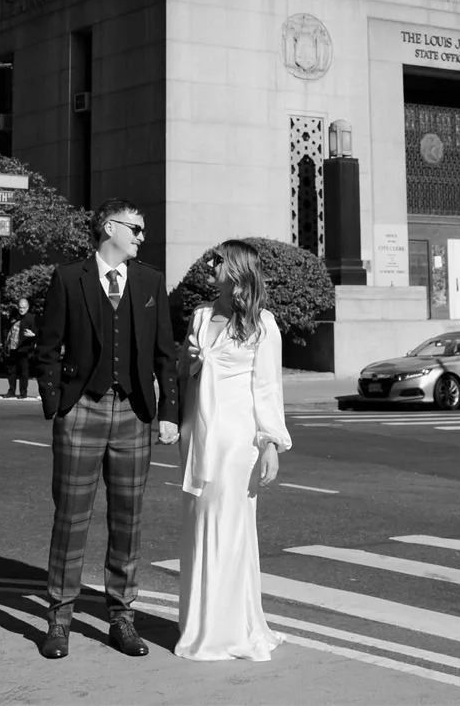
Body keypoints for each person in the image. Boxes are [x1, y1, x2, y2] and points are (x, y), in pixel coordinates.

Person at [35, 198, 180, 660]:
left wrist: (169, 411)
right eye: (136, 228)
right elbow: (48, 348)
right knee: (71, 518)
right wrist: (57, 405)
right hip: (82, 409)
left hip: (134, 412)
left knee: (127, 519)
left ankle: (122, 616)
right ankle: (59, 619)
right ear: (109, 228)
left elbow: (165, 353)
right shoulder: (68, 278)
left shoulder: (150, 281)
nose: (142, 237)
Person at [174, 239, 291, 661]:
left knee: (229, 527)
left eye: (218, 260)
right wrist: (187, 361)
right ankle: (200, 626)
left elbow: (267, 387)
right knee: (199, 524)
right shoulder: (201, 315)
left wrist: (270, 443)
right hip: (198, 434)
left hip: (237, 439)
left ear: (237, 270)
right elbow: (183, 372)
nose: (210, 265)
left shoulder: (263, 324)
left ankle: (227, 630)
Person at [5, 297, 35, 399]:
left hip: (24, 349)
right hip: (13, 348)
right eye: (20, 307)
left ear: (28, 307)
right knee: (11, 371)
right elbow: (9, 330)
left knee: (24, 372)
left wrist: (33, 335)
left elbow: (38, 333)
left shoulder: (31, 318)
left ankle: (23, 392)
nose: (22, 309)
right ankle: (11, 390)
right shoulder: (14, 317)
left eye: (24, 307)